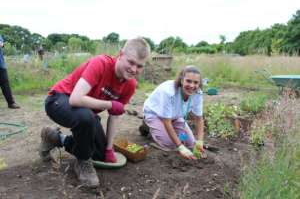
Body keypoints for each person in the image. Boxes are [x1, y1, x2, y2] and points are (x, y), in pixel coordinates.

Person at [39, 37, 150, 188]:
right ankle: (82, 163)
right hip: (59, 99)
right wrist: (110, 104)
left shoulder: (130, 85)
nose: (133, 70)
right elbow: (75, 99)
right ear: (120, 54)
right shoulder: (101, 64)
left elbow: (114, 115)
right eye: (130, 62)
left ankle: (56, 137)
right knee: (86, 118)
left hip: (87, 112)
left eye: (139, 66)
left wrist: (109, 149)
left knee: (98, 153)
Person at [142, 66, 207, 160]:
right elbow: (167, 123)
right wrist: (180, 147)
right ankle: (149, 128)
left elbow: (199, 118)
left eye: (196, 82)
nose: (192, 86)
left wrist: (200, 142)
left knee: (189, 142)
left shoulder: (198, 93)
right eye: (188, 81)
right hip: (155, 114)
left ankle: (165, 132)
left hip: (174, 117)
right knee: (170, 144)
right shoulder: (169, 92)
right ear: (182, 80)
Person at [0, 35, 20, 109]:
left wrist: (2, 45)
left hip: (1, 64)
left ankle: (11, 103)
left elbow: (1, 43)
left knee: (5, 83)